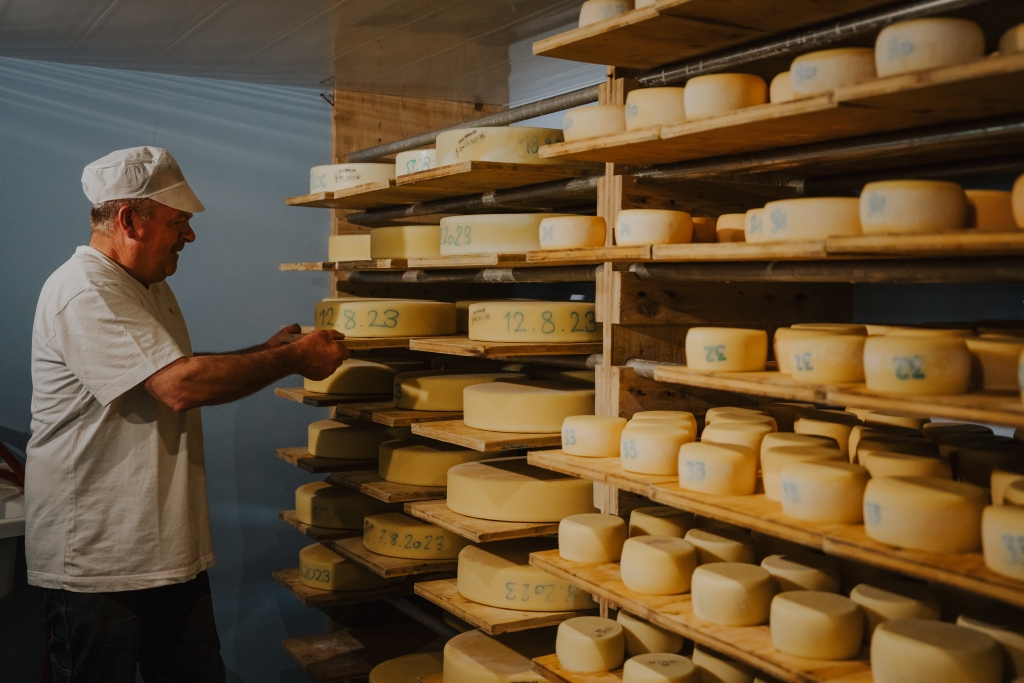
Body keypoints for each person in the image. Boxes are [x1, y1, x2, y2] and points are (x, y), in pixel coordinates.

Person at [25, 146, 348, 682]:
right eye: (180, 223)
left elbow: (178, 368)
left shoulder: (148, 287)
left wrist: (263, 350)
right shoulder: (85, 290)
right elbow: (178, 387)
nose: (190, 236)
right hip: (98, 561)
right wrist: (291, 359)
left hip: (163, 551)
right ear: (130, 220)